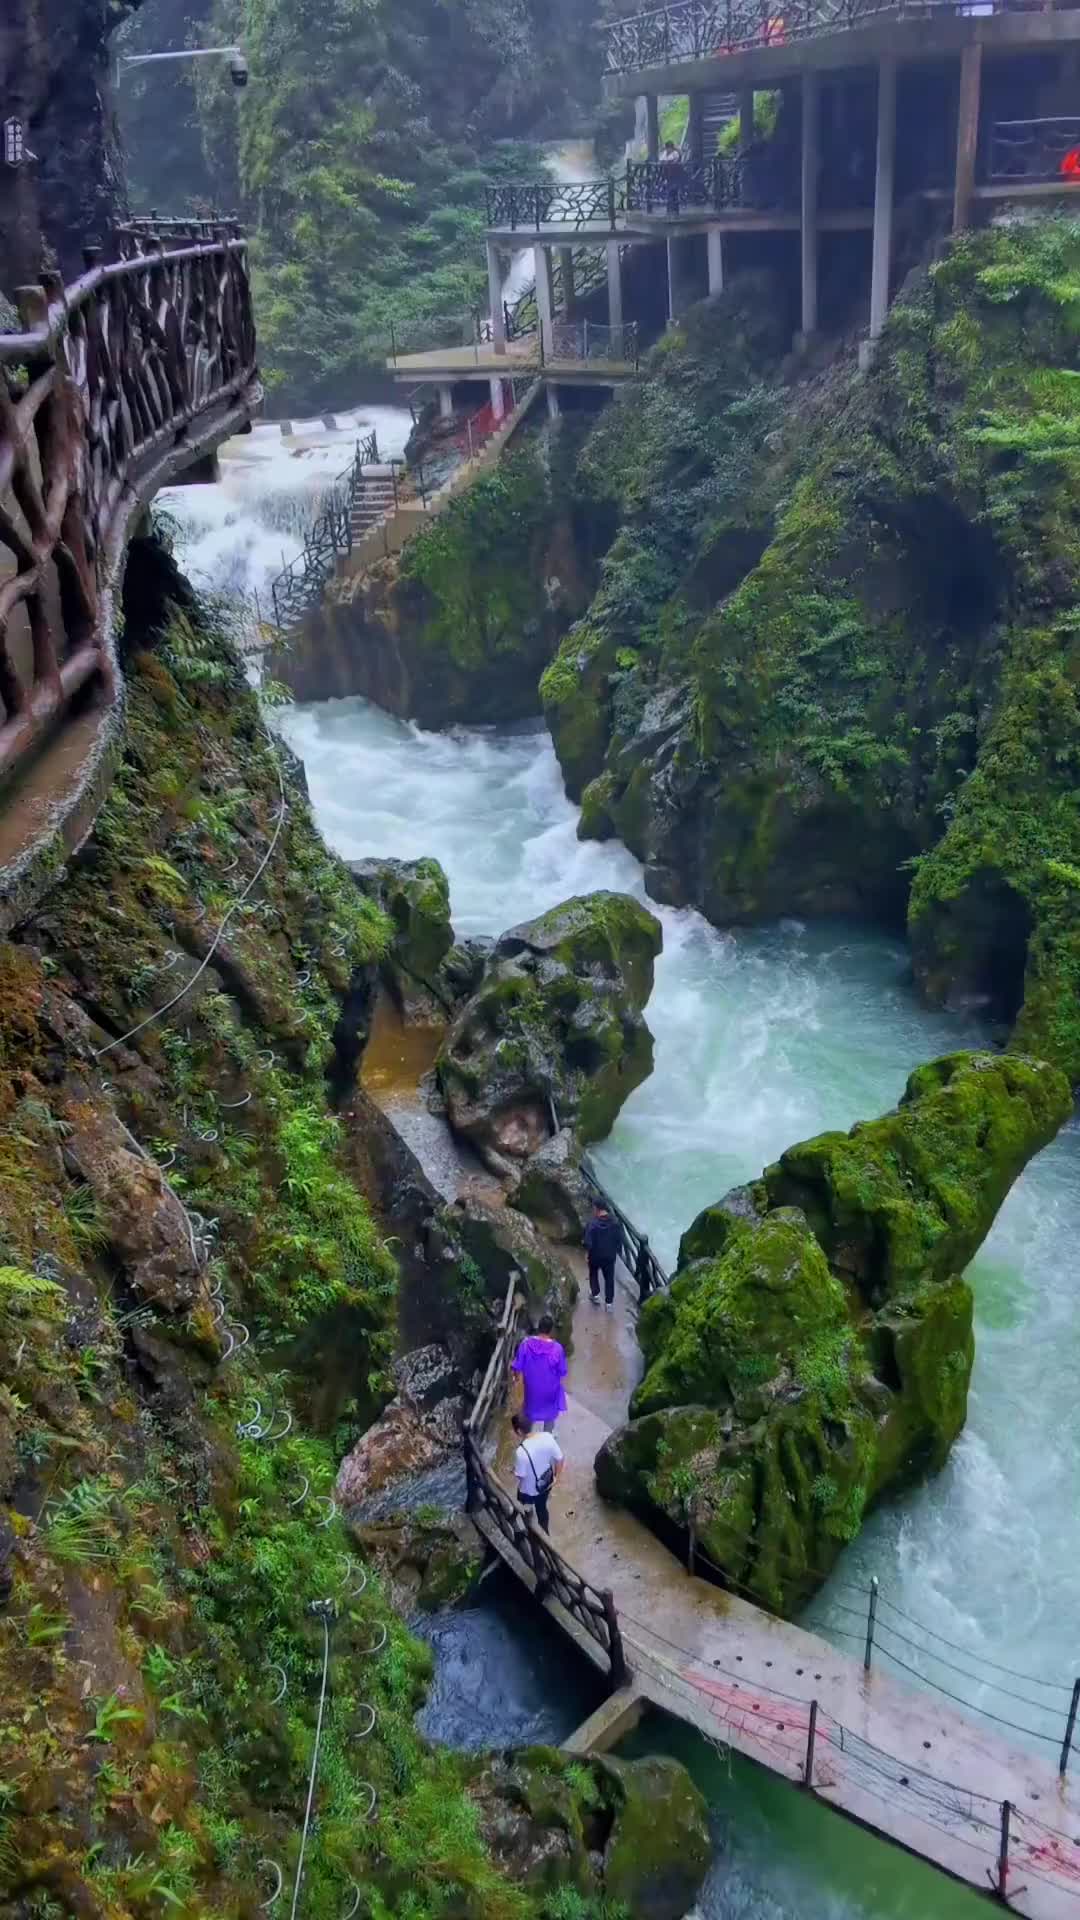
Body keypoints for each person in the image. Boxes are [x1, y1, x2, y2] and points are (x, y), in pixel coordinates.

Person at [511, 1314, 568, 1431]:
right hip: (550, 1391)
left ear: (538, 1328)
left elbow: (517, 1367)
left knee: (529, 1410)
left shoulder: (525, 1344)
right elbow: (562, 1372)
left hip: (532, 1390)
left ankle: (528, 1434)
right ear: (551, 1330)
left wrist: (516, 1379)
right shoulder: (557, 1349)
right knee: (550, 1411)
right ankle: (547, 1435)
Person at [512, 1413, 563, 1534]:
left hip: (528, 1491)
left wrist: (513, 1471)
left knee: (525, 1508)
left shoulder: (521, 1452)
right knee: (542, 1509)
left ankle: (529, 1529)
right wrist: (556, 1477)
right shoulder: (547, 1437)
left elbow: (520, 1475)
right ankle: (545, 1533)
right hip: (545, 1485)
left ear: (519, 1431)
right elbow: (560, 1459)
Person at [584, 1198, 624, 1309]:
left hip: (595, 1256)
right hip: (609, 1256)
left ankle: (595, 1295)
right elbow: (619, 1239)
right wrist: (616, 1252)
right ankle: (609, 1303)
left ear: (596, 1208)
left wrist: (587, 1254)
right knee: (609, 1278)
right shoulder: (615, 1222)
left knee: (593, 1274)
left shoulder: (592, 1224)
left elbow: (588, 1242)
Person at [660, 139, 683, 215]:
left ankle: (675, 210)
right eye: (667, 148)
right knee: (669, 192)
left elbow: (672, 161)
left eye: (669, 148)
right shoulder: (664, 153)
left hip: (674, 174)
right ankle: (670, 209)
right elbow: (662, 160)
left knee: (673, 192)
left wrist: (667, 162)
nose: (668, 149)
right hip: (667, 175)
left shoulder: (675, 153)